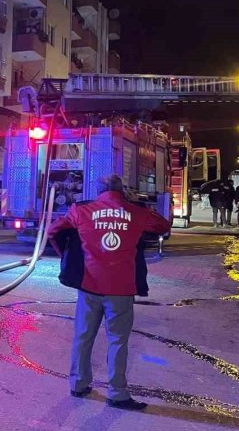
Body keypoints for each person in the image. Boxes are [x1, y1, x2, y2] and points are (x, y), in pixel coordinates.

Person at [48, 174, 171, 410]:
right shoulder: (136, 212)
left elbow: (53, 231)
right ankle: (117, 393)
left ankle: (78, 384)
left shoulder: (81, 211)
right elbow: (163, 226)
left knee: (83, 337)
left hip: (89, 286)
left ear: (98, 190)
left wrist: (66, 257)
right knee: (118, 341)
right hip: (121, 290)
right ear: (122, 190)